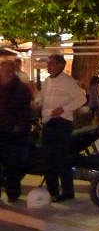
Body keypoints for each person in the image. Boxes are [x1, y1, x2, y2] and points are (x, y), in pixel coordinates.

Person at [37, 54, 87, 202]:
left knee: (61, 158)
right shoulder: (47, 81)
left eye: (51, 63)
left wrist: (64, 109)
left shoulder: (68, 81)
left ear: (59, 65)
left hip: (62, 122)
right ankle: (52, 190)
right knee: (48, 158)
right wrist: (37, 102)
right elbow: (42, 97)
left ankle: (67, 191)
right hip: (48, 121)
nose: (48, 66)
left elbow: (81, 98)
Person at [0, 60, 33, 203]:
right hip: (3, 128)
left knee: (12, 164)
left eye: (7, 70)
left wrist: (19, 125)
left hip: (13, 131)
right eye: (3, 70)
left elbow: (25, 111)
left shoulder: (20, 88)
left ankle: (13, 193)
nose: (4, 73)